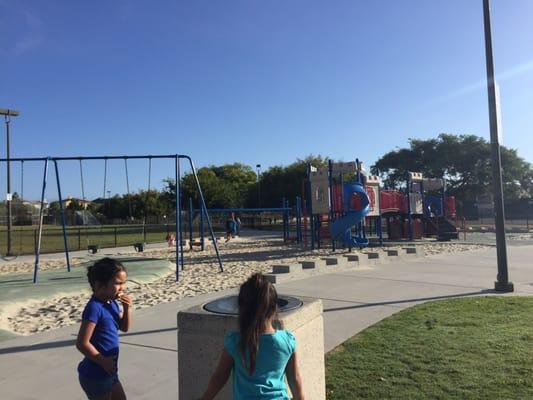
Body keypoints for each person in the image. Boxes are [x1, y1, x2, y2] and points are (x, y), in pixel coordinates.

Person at [200, 273, 305, 400]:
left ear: (242, 309)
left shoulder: (235, 341)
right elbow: (295, 379)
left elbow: (220, 377)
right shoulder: (287, 340)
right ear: (274, 308)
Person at [76, 258, 133, 400]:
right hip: (96, 374)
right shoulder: (94, 308)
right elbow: (82, 343)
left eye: (123, 283)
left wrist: (127, 308)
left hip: (109, 372)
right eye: (118, 283)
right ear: (99, 285)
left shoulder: (111, 302)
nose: (122, 288)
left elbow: (124, 327)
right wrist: (103, 361)